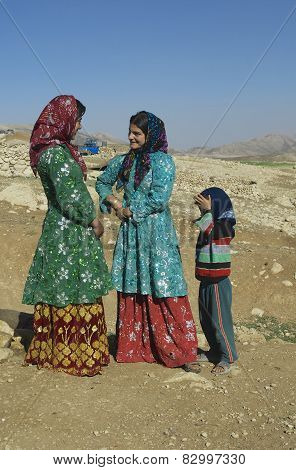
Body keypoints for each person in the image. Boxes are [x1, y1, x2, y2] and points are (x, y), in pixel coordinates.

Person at [96, 111, 199, 372]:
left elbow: (159, 198)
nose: (131, 136)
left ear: (150, 135)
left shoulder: (163, 162)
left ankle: (180, 351)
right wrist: (114, 202)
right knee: (134, 284)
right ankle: (137, 348)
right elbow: (103, 182)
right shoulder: (125, 161)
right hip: (132, 234)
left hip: (156, 234)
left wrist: (131, 210)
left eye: (137, 133)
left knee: (164, 283)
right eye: (130, 131)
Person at [22, 95, 113, 376]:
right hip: (69, 231)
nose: (79, 126)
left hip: (60, 229)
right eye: (78, 119)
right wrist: (94, 221)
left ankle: (60, 350)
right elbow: (71, 197)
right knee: (73, 284)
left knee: (64, 283)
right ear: (64, 119)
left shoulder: (54, 151)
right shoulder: (56, 155)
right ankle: (74, 354)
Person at [193, 187, 238, 375]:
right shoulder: (210, 222)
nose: (202, 212)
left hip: (218, 282)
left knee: (220, 320)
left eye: (205, 206)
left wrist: (209, 211)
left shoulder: (226, 226)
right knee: (207, 319)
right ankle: (214, 352)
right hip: (205, 279)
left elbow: (210, 228)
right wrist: (206, 212)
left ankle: (228, 356)